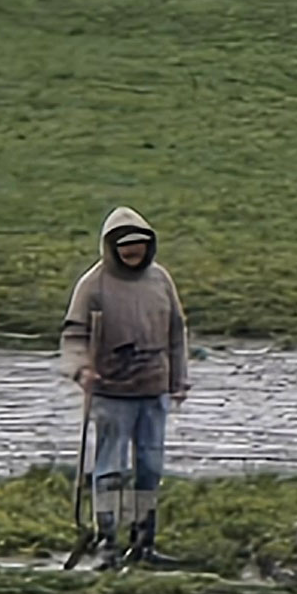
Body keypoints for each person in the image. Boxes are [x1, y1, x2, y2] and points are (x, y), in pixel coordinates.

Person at [59, 207, 190, 569]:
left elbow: (177, 333)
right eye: (126, 250)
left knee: (149, 467)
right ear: (111, 248)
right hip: (111, 391)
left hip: (153, 389)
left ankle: (144, 541)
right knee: (110, 469)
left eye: (139, 249)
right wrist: (81, 368)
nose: (133, 256)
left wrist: (179, 379)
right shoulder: (94, 284)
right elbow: (73, 335)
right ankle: (108, 542)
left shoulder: (160, 279)